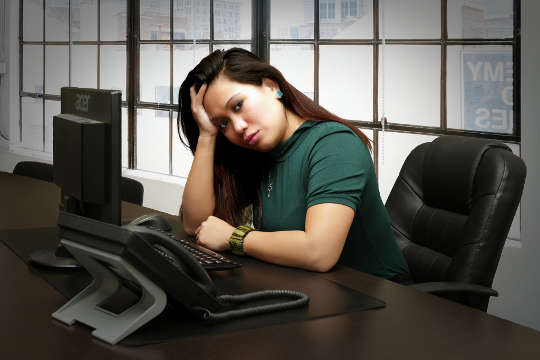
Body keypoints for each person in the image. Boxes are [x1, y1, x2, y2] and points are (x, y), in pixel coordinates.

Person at [177, 48, 410, 282]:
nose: (237, 127)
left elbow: (319, 252)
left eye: (238, 105)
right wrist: (207, 136)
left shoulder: (335, 144)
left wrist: (234, 238)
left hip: (379, 296)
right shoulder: (260, 152)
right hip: (310, 289)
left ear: (271, 87)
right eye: (223, 123)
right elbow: (197, 225)